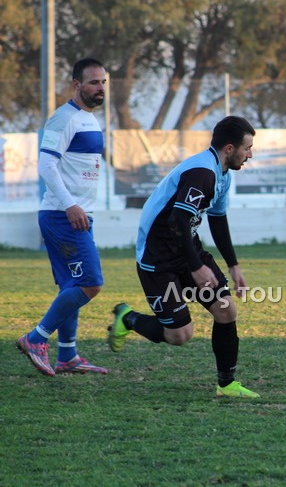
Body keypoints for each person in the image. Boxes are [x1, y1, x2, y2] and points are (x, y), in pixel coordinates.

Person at [106, 116, 260, 398]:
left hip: (187, 246)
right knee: (179, 335)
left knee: (226, 310)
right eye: (247, 148)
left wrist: (233, 265)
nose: (250, 154)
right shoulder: (202, 173)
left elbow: (217, 219)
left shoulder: (222, 173)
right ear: (229, 148)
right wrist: (197, 267)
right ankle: (128, 318)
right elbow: (177, 220)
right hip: (158, 256)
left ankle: (227, 384)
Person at [16, 58, 110, 377]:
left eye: (103, 82)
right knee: (90, 283)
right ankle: (36, 338)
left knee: (72, 284)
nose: (100, 88)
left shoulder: (89, 119)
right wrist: (71, 205)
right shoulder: (63, 118)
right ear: (76, 85)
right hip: (62, 215)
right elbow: (46, 165)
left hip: (78, 215)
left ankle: (67, 355)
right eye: (93, 82)